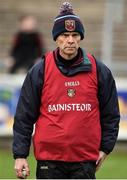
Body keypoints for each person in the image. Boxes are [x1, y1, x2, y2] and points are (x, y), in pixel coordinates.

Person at [12, 2, 120, 179]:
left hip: (85, 161)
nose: (70, 40)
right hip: (49, 161)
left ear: (80, 37)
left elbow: (111, 114)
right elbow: (24, 116)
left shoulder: (99, 70)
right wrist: (20, 155)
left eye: (75, 34)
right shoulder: (40, 70)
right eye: (64, 35)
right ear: (56, 38)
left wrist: (105, 148)